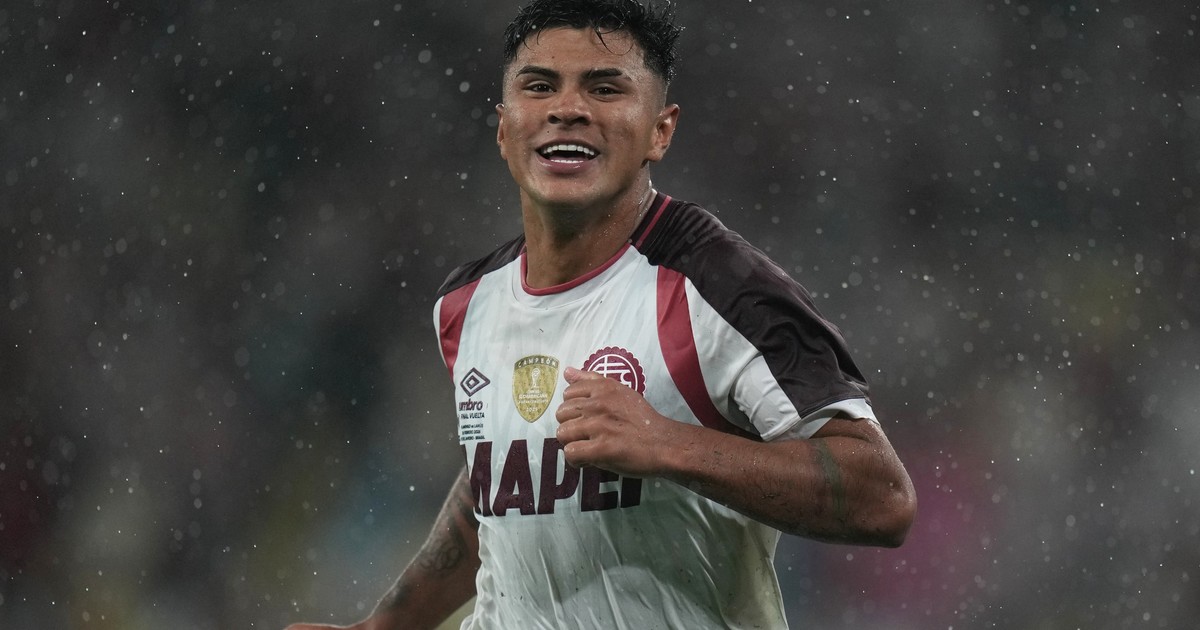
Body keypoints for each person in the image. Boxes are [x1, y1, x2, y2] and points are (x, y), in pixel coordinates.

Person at [288, 0, 916, 628]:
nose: (567, 108)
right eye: (540, 86)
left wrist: (668, 443)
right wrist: (384, 626)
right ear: (504, 129)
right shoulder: (465, 303)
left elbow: (882, 497)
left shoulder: (721, 285)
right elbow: (499, 486)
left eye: (605, 88)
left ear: (659, 131)